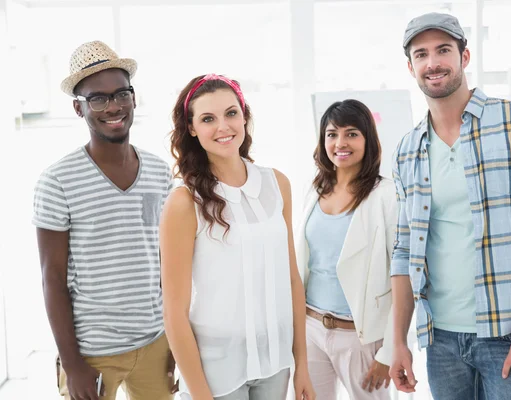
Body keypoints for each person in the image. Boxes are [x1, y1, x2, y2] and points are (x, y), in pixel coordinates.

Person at [388, 12, 511, 400]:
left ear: (464, 57)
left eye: (443, 50)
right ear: (410, 68)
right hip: (440, 340)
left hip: (509, 336)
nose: (433, 63)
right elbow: (404, 250)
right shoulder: (407, 150)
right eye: (421, 54)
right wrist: (397, 340)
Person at [33, 41, 177, 400]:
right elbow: (52, 278)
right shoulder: (57, 181)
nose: (112, 106)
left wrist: (176, 339)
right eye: (97, 98)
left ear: (133, 98)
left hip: (155, 342)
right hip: (91, 352)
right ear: (78, 108)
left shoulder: (160, 173)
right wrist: (72, 364)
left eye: (121, 94)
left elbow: (167, 264)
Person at [159, 74, 315, 400]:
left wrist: (302, 365)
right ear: (191, 128)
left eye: (231, 113)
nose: (223, 127)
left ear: (244, 116)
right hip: (216, 370)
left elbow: (291, 281)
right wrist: (201, 395)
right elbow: (174, 312)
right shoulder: (184, 202)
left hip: (276, 362)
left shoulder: (277, 184)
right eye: (207, 119)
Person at [295, 99, 398, 400]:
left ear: (368, 139)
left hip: (360, 338)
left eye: (352, 133)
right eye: (332, 134)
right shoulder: (313, 189)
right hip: (311, 328)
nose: (340, 143)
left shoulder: (387, 195)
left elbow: (403, 279)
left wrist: (388, 353)